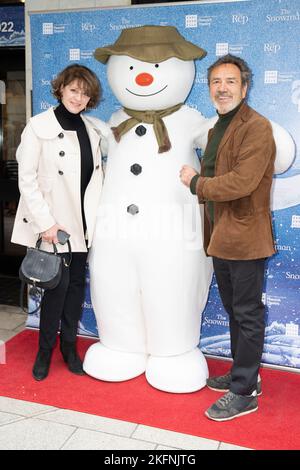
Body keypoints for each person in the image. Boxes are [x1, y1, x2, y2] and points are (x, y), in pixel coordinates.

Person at [180, 54, 276, 421]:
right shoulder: (219, 126)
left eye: (230, 81)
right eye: (216, 82)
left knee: (248, 315)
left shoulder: (257, 127)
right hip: (222, 236)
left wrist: (194, 183)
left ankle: (244, 392)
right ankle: (244, 375)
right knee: (237, 313)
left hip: (245, 237)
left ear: (245, 86)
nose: (222, 88)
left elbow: (242, 182)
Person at [11, 64, 108, 381]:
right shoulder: (38, 126)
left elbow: (95, 180)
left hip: (82, 227)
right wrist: (45, 224)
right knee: (56, 290)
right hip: (54, 227)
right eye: (73, 90)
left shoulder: (92, 130)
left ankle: (69, 349)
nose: (78, 97)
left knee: (76, 289)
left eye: (85, 93)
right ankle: (44, 352)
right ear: (61, 89)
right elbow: (26, 180)